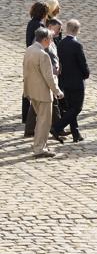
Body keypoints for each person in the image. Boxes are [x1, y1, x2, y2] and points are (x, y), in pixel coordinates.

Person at [23, 27, 64, 158]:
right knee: (44, 122)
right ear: (45, 39)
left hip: (32, 91)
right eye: (51, 39)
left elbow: (25, 70)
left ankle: (39, 144)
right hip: (43, 94)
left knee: (40, 120)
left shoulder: (30, 49)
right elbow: (49, 77)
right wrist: (57, 91)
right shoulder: (43, 55)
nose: (52, 41)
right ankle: (40, 148)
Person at [51, 19, 89, 143]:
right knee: (77, 108)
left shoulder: (60, 43)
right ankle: (57, 127)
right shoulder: (77, 45)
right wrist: (86, 74)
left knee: (71, 108)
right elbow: (82, 63)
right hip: (76, 81)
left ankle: (76, 133)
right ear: (78, 30)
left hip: (65, 81)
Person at [22, 1, 48, 124]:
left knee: (27, 87)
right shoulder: (40, 27)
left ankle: (25, 115)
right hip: (36, 57)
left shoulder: (31, 23)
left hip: (28, 55)